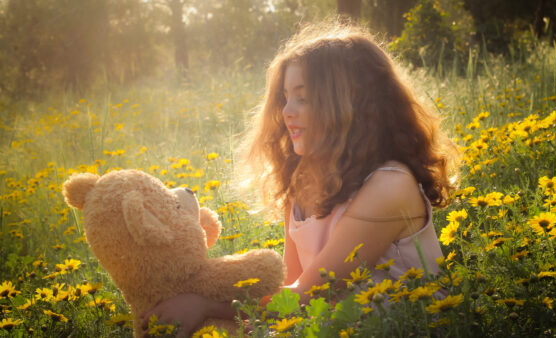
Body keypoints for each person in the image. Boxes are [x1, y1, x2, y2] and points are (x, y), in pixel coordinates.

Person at [141, 21, 458, 337]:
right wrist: (191, 300)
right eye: (285, 97)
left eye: (303, 98)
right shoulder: (301, 184)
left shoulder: (390, 186)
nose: (286, 111)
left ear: (349, 104)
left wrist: (205, 306)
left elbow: (312, 293)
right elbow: (289, 292)